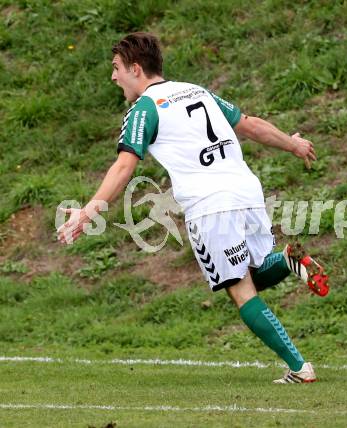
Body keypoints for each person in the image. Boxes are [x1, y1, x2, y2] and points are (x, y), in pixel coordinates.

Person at [57, 32, 329, 384]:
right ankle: (289, 261)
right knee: (247, 273)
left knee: (238, 288)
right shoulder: (199, 91)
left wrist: (88, 211)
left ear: (136, 69)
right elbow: (251, 126)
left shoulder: (144, 109)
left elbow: (124, 167)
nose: (113, 76)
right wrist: (291, 144)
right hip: (247, 192)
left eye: (116, 68)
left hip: (209, 203)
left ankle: (298, 367)